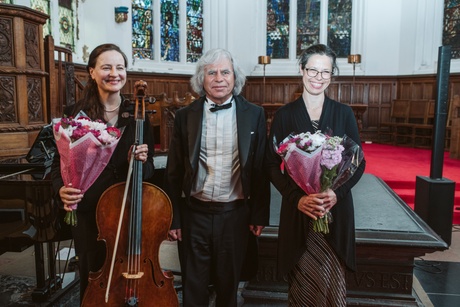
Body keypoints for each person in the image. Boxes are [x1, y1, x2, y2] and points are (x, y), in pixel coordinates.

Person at [50, 43, 155, 303]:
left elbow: (150, 169)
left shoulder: (138, 116)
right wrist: (60, 189)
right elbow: (57, 164)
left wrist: (140, 160)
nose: (114, 73)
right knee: (91, 275)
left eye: (120, 67)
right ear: (92, 72)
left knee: (128, 276)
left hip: (127, 210)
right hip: (88, 212)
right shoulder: (74, 114)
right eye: (106, 67)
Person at [165, 48, 270, 307]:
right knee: (193, 286)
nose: (219, 78)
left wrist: (259, 214)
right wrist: (173, 217)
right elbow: (174, 171)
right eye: (211, 72)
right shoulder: (184, 116)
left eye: (225, 72)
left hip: (235, 214)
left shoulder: (254, 114)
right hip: (194, 214)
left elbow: (260, 168)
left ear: (235, 78)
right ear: (202, 79)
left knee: (228, 287)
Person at [265, 44, 366, 306]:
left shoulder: (343, 113)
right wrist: (297, 198)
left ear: (332, 75)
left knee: (332, 286)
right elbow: (269, 165)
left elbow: (358, 163)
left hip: (335, 212)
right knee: (303, 288)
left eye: (325, 72)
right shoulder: (285, 115)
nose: (318, 78)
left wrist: (336, 192)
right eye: (313, 70)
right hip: (299, 213)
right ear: (301, 70)